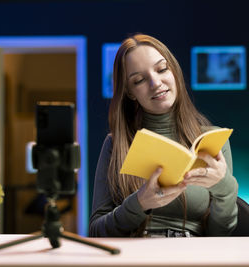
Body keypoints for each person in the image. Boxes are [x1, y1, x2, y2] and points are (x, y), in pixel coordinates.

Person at [89, 34, 238, 237]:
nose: (155, 83)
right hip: (136, 254)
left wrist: (225, 187)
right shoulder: (116, 144)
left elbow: (221, 236)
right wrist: (140, 203)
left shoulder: (212, 140)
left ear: (174, 72)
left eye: (161, 69)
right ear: (130, 92)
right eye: (139, 80)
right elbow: (96, 231)